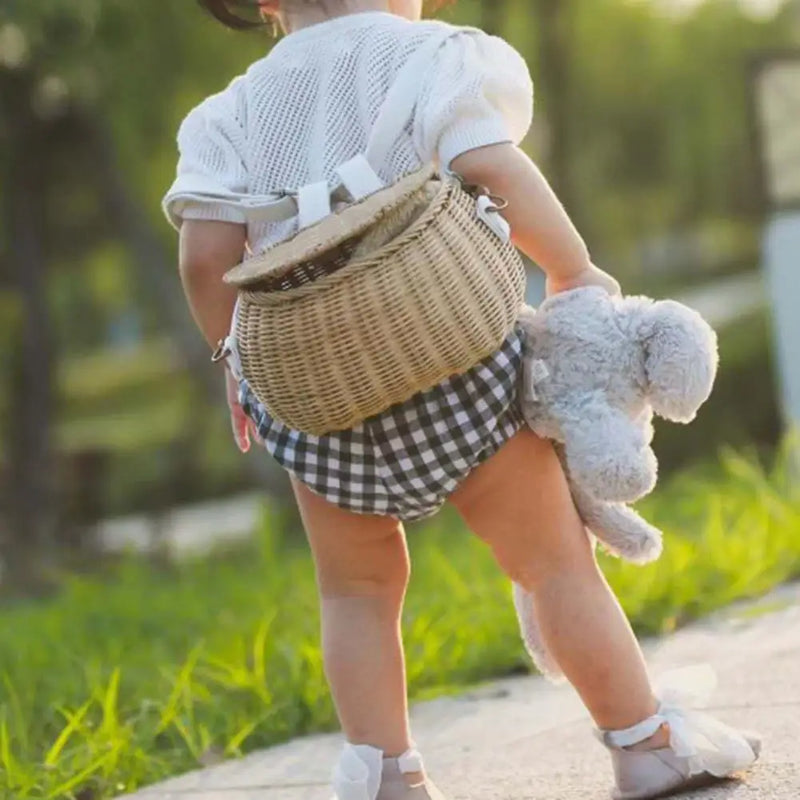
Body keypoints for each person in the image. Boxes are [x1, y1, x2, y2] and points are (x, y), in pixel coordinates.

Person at [163, 2, 760, 798]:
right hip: (457, 364)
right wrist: (572, 270)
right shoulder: (433, 57)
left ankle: (387, 775)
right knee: (554, 565)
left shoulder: (226, 118)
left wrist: (235, 359)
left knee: (355, 593)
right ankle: (642, 741)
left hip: (321, 397)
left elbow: (205, 260)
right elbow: (494, 171)